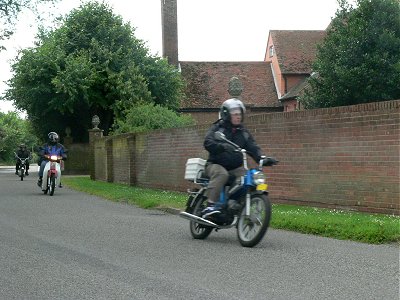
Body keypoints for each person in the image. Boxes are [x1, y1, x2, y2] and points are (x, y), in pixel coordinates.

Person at [202, 98, 263, 219]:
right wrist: (221, 146)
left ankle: (232, 204)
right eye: (235, 114)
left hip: (235, 168)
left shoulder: (243, 133)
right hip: (215, 165)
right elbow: (207, 142)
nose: (238, 116)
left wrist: (262, 158)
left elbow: (253, 147)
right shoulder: (218, 128)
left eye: (239, 114)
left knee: (248, 177)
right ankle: (210, 206)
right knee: (221, 174)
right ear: (226, 114)